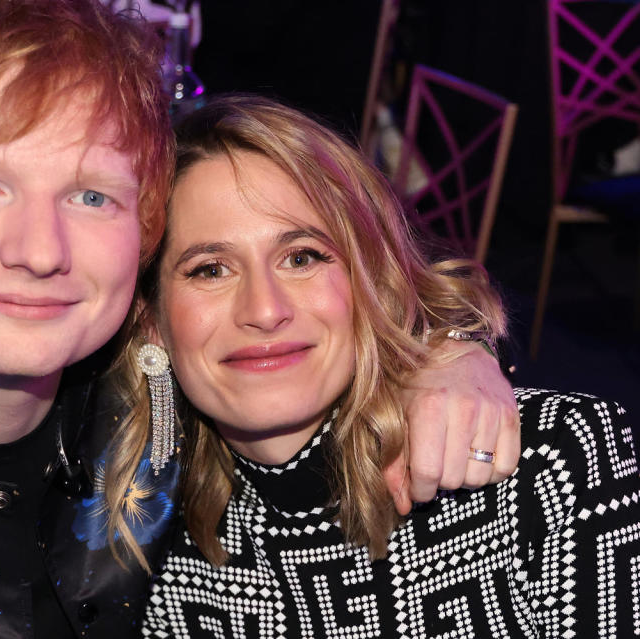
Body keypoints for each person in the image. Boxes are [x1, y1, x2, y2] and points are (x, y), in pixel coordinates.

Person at [0, 3, 517, 638]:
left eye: (90, 196)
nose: (39, 250)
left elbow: (326, 311)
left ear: (143, 232)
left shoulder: (149, 367)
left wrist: (446, 352)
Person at [134, 95, 640, 638]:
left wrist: (460, 344)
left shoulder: (553, 466)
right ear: (152, 322)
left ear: (368, 279)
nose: (264, 310)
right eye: (210, 269)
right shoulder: (132, 545)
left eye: (302, 257)